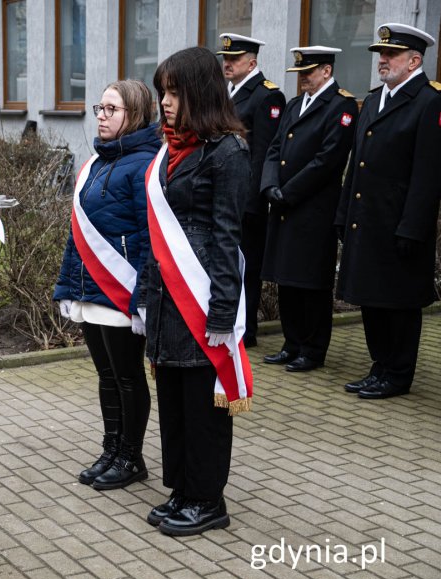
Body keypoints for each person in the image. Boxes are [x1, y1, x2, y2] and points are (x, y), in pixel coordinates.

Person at [138, 46, 251, 536]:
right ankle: (182, 489)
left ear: (200, 94)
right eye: (164, 91)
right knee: (175, 399)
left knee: (204, 405)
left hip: (202, 294)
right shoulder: (169, 147)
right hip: (166, 296)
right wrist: (144, 293)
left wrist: (224, 312)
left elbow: (228, 236)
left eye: (176, 92)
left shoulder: (227, 151)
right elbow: (153, 231)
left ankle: (208, 500)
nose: (165, 101)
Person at [335, 24, 441, 400]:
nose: (382, 61)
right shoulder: (374, 100)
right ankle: (380, 367)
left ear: (415, 60)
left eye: (391, 55)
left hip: (399, 224)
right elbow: (357, 165)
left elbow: (428, 175)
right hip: (366, 219)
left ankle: (398, 373)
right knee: (372, 298)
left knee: (399, 302)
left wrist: (412, 227)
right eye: (380, 55)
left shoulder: (432, 101)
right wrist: (342, 214)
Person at [53, 80, 159, 491]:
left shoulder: (145, 164)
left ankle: (131, 457)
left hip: (121, 292)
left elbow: (152, 239)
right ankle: (111, 448)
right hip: (89, 291)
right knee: (106, 376)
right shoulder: (95, 163)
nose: (101, 116)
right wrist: (66, 286)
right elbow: (75, 234)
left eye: (111, 110)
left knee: (128, 377)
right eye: (100, 108)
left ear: (133, 114)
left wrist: (143, 298)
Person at [259, 47, 358, 373]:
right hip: (286, 205)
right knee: (287, 280)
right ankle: (292, 343)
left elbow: (327, 161)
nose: (302, 79)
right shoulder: (295, 104)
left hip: (313, 209)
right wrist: (270, 185)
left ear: (326, 72)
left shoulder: (341, 106)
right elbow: (274, 149)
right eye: (300, 74)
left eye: (308, 73)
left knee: (311, 282)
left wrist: (289, 191)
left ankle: (313, 350)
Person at [217, 33, 285, 348]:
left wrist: (254, 200)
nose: (226, 63)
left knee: (247, 266)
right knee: (226, 262)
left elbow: (264, 154)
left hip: (246, 199)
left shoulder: (266, 96)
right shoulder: (225, 92)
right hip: (222, 193)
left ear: (252, 62)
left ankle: (247, 330)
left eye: (234, 59)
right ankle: (229, 320)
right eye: (225, 58)